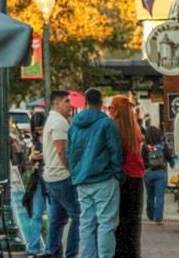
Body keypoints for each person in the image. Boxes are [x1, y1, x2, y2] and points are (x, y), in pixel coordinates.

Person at [67, 87, 122, 258]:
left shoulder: (74, 124)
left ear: (85, 102)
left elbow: (70, 153)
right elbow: (115, 151)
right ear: (101, 102)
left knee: (86, 223)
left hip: (82, 180)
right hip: (104, 179)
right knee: (106, 223)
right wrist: (118, 174)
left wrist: (75, 174)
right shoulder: (107, 123)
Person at [42, 89, 80, 258]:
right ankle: (70, 254)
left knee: (57, 219)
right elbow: (61, 150)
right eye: (66, 101)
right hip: (62, 177)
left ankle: (51, 252)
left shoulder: (53, 120)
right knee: (79, 216)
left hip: (52, 177)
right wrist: (72, 170)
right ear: (57, 104)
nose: (70, 105)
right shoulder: (59, 122)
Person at [108, 95, 143, 258]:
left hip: (122, 179)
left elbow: (115, 156)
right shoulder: (135, 129)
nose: (109, 111)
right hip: (137, 179)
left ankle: (119, 253)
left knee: (119, 220)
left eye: (111, 108)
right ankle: (133, 253)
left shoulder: (114, 128)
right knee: (134, 220)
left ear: (116, 110)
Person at [23, 109, 47, 256]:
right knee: (36, 215)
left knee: (53, 215)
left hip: (51, 180)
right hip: (38, 179)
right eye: (36, 130)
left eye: (41, 129)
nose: (39, 132)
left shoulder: (52, 137)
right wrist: (32, 158)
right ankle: (33, 248)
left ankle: (50, 248)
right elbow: (29, 163)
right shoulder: (35, 141)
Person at [142, 123, 175, 226]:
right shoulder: (162, 146)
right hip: (160, 173)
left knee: (150, 196)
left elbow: (142, 160)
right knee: (159, 197)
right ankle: (158, 218)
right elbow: (169, 157)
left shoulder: (145, 147)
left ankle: (150, 215)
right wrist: (172, 163)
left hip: (148, 173)